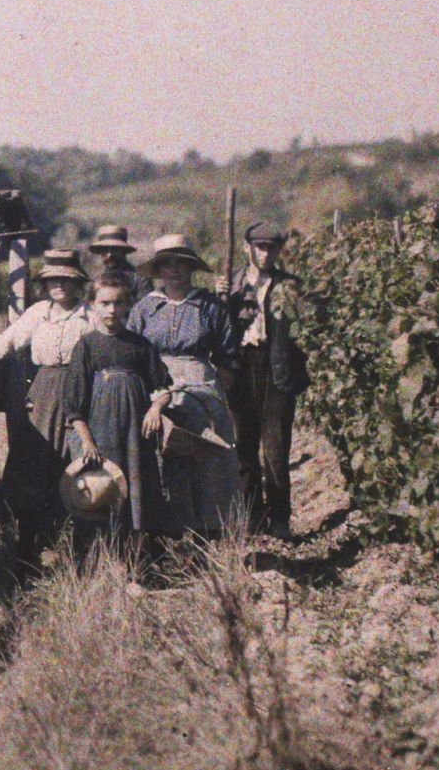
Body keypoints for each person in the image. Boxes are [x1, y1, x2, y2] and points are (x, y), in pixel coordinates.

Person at [0, 248, 94, 549]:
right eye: (52, 279)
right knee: (34, 465)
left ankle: (76, 548)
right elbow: (4, 345)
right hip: (42, 396)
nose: (59, 285)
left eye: (66, 278)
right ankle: (28, 548)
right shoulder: (38, 313)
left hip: (80, 396)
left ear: (78, 283)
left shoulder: (90, 316)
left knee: (77, 466)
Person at [129, 234, 245, 538]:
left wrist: (219, 390)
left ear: (190, 267)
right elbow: (132, 348)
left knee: (208, 453)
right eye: (166, 264)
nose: (173, 270)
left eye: (179, 263)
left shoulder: (209, 306)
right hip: (156, 383)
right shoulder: (145, 308)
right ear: (158, 270)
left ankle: (210, 528)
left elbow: (227, 353)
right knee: (160, 456)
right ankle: (164, 532)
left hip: (199, 382)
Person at [62, 278, 172, 556]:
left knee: (137, 493)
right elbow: (74, 406)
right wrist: (87, 441)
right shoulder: (86, 347)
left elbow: (162, 388)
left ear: (128, 305)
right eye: (105, 303)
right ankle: (98, 563)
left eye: (118, 303)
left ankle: (136, 565)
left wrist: (156, 408)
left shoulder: (140, 345)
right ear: (91, 305)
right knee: (102, 493)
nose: (112, 309)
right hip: (101, 435)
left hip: (136, 436)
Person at [227, 223, 309, 537]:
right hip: (240, 365)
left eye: (271, 248)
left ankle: (279, 518)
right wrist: (223, 298)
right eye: (259, 247)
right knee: (243, 444)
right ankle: (250, 516)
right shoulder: (232, 284)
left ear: (278, 250)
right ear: (247, 247)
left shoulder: (290, 285)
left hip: (277, 367)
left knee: (276, 445)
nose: (264, 253)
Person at [88, 225, 152, 301]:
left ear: (123, 250)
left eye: (114, 250)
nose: (110, 255)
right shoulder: (96, 278)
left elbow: (146, 308)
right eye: (105, 250)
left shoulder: (140, 279)